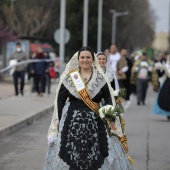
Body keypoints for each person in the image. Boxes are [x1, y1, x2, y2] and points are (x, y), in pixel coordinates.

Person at [44, 46, 134, 170]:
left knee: (98, 154)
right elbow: (60, 100)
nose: (85, 60)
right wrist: (57, 122)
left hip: (96, 122)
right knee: (72, 154)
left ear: (93, 59)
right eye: (82, 57)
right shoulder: (70, 77)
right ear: (78, 59)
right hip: (71, 122)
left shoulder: (100, 78)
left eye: (88, 57)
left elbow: (108, 99)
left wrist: (110, 117)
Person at [153, 55, 170, 120]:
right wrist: (158, 69)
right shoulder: (166, 66)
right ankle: (168, 113)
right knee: (166, 99)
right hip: (168, 84)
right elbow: (161, 74)